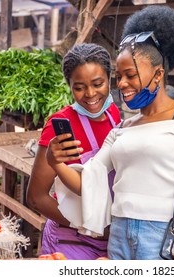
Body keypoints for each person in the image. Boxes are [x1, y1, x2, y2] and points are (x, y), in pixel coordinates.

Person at [46, 5, 174, 260]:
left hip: (161, 236)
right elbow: (89, 183)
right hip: (118, 236)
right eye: (118, 77)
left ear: (158, 74)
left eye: (130, 75)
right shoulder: (121, 128)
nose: (122, 85)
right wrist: (55, 163)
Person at [26, 43, 122, 260]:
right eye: (79, 87)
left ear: (110, 78)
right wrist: (86, 225)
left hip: (111, 240)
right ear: (69, 86)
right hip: (71, 241)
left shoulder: (113, 115)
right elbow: (36, 198)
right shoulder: (59, 125)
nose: (90, 94)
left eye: (98, 84)